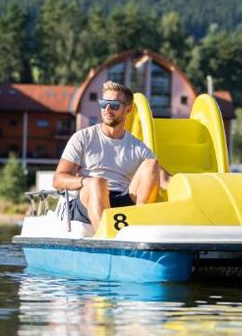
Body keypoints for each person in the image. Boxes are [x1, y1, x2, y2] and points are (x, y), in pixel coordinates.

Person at [54, 81, 166, 227]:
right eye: (103, 103)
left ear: (128, 109)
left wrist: (193, 186)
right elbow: (58, 180)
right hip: (87, 198)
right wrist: (86, 181)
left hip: (121, 198)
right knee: (99, 182)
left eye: (113, 105)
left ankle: (140, 226)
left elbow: (164, 179)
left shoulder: (138, 147)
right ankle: (104, 236)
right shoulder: (83, 137)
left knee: (152, 164)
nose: (107, 109)